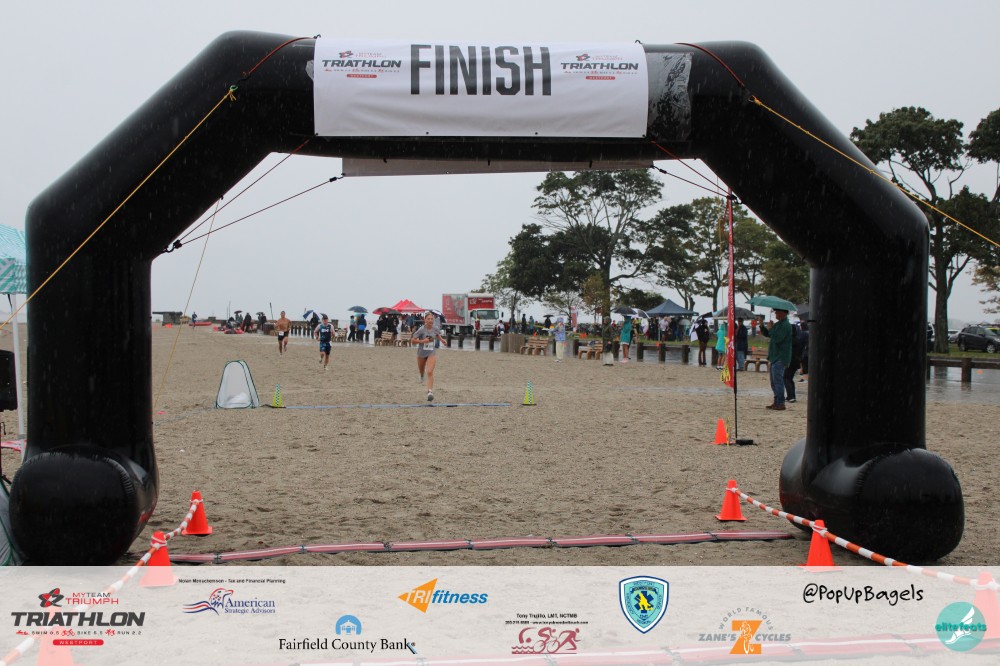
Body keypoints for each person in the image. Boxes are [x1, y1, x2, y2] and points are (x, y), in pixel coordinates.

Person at [760, 308, 793, 410]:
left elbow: (778, 338)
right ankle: (777, 400)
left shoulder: (786, 325)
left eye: (777, 312)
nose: (775, 313)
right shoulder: (779, 324)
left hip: (780, 356)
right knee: (773, 381)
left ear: (783, 313)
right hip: (775, 356)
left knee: (778, 381)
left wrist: (770, 329)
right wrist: (762, 326)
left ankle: (780, 402)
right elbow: (769, 334)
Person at [412, 312, 446, 401]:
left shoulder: (435, 328)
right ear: (425, 320)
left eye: (432, 319)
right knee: (422, 371)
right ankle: (421, 376)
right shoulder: (421, 330)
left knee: (430, 371)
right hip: (421, 354)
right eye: (428, 319)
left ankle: (430, 392)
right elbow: (413, 341)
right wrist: (423, 341)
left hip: (431, 353)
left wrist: (442, 340)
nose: (430, 320)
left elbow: (437, 334)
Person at [784, 323, 802, 403]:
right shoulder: (797, 339)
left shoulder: (790, 340)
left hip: (791, 361)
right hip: (796, 361)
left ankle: (790, 396)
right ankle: (792, 396)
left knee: (786, 377)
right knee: (790, 378)